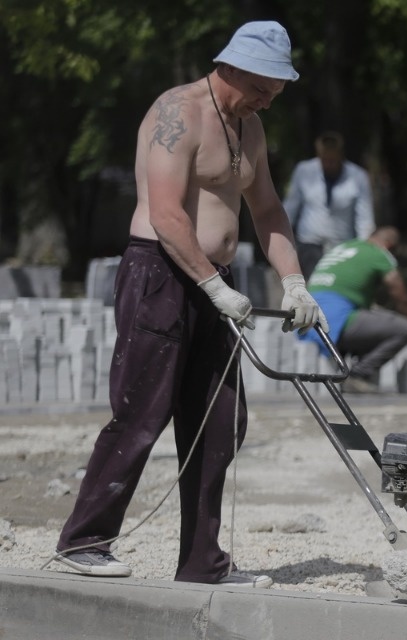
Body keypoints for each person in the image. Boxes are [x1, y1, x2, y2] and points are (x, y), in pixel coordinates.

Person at [54, 21, 327, 589]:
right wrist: (214, 287)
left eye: (276, 92)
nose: (267, 100)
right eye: (262, 87)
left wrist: (295, 282)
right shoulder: (176, 112)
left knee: (221, 419)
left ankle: (202, 562)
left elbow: (268, 210)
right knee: (142, 410)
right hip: (161, 272)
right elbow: (165, 212)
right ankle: (84, 541)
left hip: (215, 281)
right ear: (232, 67)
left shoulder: (250, 126)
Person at [301, 226, 407, 393]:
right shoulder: (378, 253)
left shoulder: (343, 247)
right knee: (403, 329)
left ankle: (347, 373)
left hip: (309, 320)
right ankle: (357, 375)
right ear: (390, 246)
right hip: (336, 320)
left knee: (370, 321)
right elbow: (399, 292)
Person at [283, 131, 376, 276]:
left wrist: (364, 250)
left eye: (333, 160)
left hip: (342, 246)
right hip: (309, 244)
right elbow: (290, 208)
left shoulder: (358, 177)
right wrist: (283, 243)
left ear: (341, 156)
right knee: (313, 285)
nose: (329, 164)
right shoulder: (304, 171)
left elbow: (364, 219)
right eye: (325, 160)